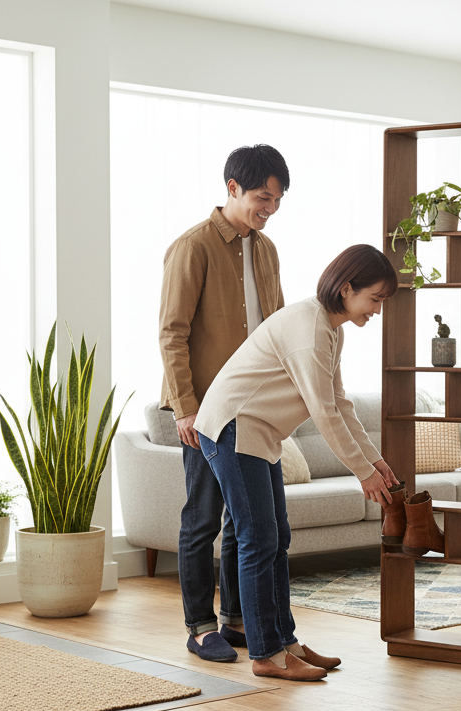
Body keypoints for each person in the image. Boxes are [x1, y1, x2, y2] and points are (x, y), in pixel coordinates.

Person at [194, 244, 400, 681]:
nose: (377, 311)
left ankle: (285, 642)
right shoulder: (309, 329)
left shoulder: (331, 328)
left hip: (258, 433)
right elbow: (322, 411)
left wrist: (375, 461)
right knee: (258, 541)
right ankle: (266, 655)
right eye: (375, 299)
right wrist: (361, 472)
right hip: (233, 428)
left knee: (275, 538)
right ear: (347, 289)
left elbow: (339, 403)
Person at [159, 144, 289, 663]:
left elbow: (277, 328)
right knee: (204, 517)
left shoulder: (268, 249)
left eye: (278, 199)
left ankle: (237, 619)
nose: (270, 208)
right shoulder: (192, 247)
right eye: (263, 197)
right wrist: (185, 407)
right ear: (233, 188)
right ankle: (198, 626)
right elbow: (172, 333)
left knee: (246, 521)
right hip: (205, 410)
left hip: (255, 407)